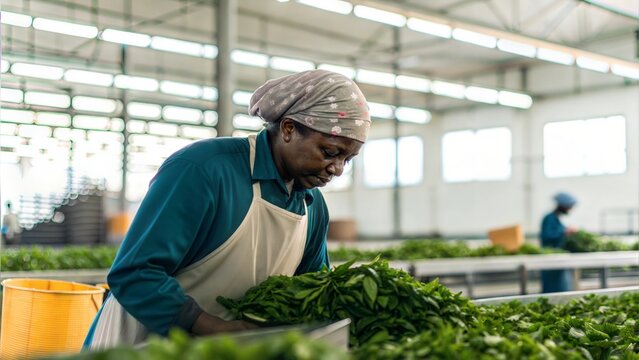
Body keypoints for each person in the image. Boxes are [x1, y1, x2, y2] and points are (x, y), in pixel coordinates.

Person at [84, 69, 371, 349]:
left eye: (348, 159)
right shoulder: (204, 170)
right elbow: (135, 273)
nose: (336, 169)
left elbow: (311, 290)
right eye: (330, 152)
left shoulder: (313, 206)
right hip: (140, 346)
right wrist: (213, 328)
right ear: (288, 129)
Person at [540, 192, 577, 293]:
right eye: (569, 207)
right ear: (562, 206)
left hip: (559, 260)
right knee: (552, 290)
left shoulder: (557, 219)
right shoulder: (549, 218)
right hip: (550, 260)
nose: (570, 209)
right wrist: (564, 232)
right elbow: (547, 236)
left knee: (562, 289)